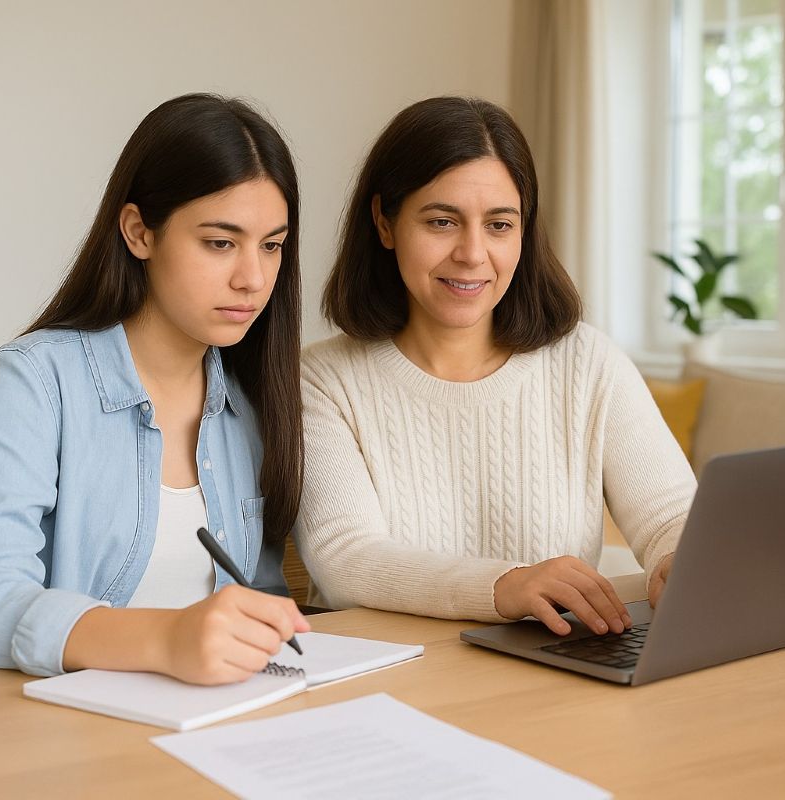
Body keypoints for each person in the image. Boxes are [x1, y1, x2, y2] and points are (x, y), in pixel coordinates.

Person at [0, 94, 309, 684]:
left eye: (272, 245)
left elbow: (258, 605)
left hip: (214, 732)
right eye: (220, 242)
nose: (253, 278)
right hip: (61, 748)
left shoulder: (252, 406)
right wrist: (164, 637)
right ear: (138, 232)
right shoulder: (32, 383)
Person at [296, 97, 697, 637]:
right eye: (442, 221)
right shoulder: (321, 380)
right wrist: (506, 585)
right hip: (388, 683)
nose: (472, 253)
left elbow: (672, 512)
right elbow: (346, 559)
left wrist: (678, 559)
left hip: (556, 676)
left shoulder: (587, 361)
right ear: (384, 224)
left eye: (499, 225)